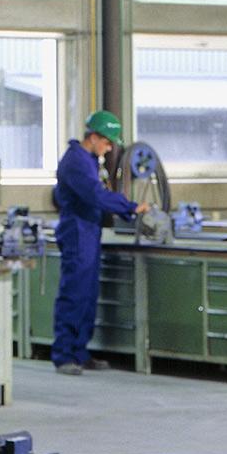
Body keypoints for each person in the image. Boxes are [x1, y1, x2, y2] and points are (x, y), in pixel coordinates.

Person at [51, 110, 148, 376]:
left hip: (89, 231)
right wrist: (128, 207)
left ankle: (79, 352)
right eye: (106, 142)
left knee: (88, 294)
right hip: (76, 232)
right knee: (74, 294)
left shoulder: (90, 160)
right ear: (93, 137)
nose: (109, 148)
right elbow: (95, 195)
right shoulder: (76, 162)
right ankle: (64, 355)